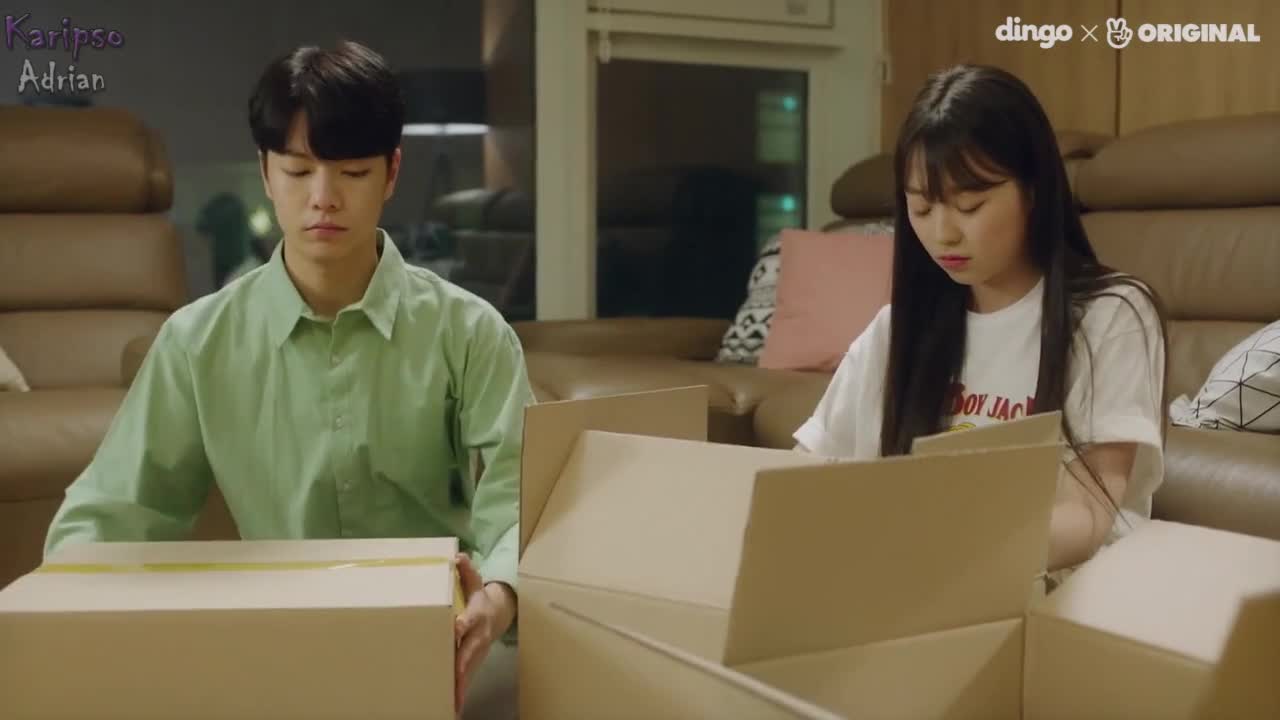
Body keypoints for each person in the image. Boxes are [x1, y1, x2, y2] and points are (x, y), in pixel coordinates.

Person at [44, 40, 531, 707]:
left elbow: (519, 500)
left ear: (391, 172)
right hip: (275, 641)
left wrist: (497, 599)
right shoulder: (198, 342)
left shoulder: (471, 332)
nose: (323, 199)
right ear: (265, 172)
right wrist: (65, 611)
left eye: (352, 172)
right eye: (298, 171)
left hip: (441, 639)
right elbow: (114, 512)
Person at [794, 65, 1168, 585]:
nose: (943, 233)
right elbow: (805, 471)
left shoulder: (1111, 314)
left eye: (969, 206)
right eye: (921, 208)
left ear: (1033, 190)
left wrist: (943, 549)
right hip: (911, 586)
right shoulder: (897, 327)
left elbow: (1088, 514)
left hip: (1055, 592)